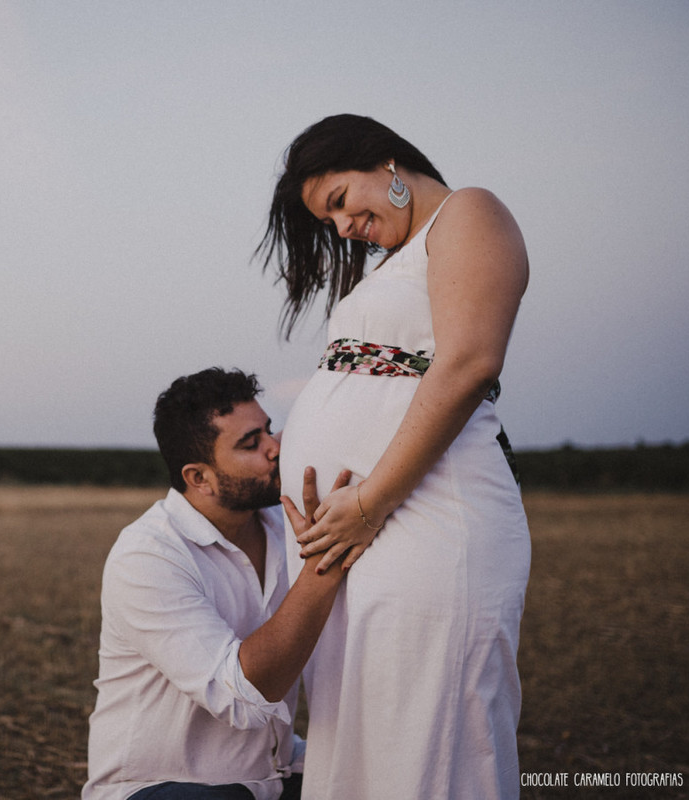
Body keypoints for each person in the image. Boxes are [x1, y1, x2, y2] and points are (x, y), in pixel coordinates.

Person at [256, 114, 532, 800]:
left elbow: (468, 363)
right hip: (367, 523)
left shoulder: (469, 212)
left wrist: (370, 503)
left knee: (432, 718)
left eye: (342, 202)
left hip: (425, 514)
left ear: (385, 164)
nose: (343, 227)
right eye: (331, 220)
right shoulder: (396, 264)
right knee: (367, 715)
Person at [83, 367, 351, 800]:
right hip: (162, 789)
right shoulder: (148, 555)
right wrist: (326, 560)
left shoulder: (284, 527)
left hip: (270, 780)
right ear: (199, 478)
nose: (275, 447)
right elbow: (243, 697)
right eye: (251, 443)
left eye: (268, 430)